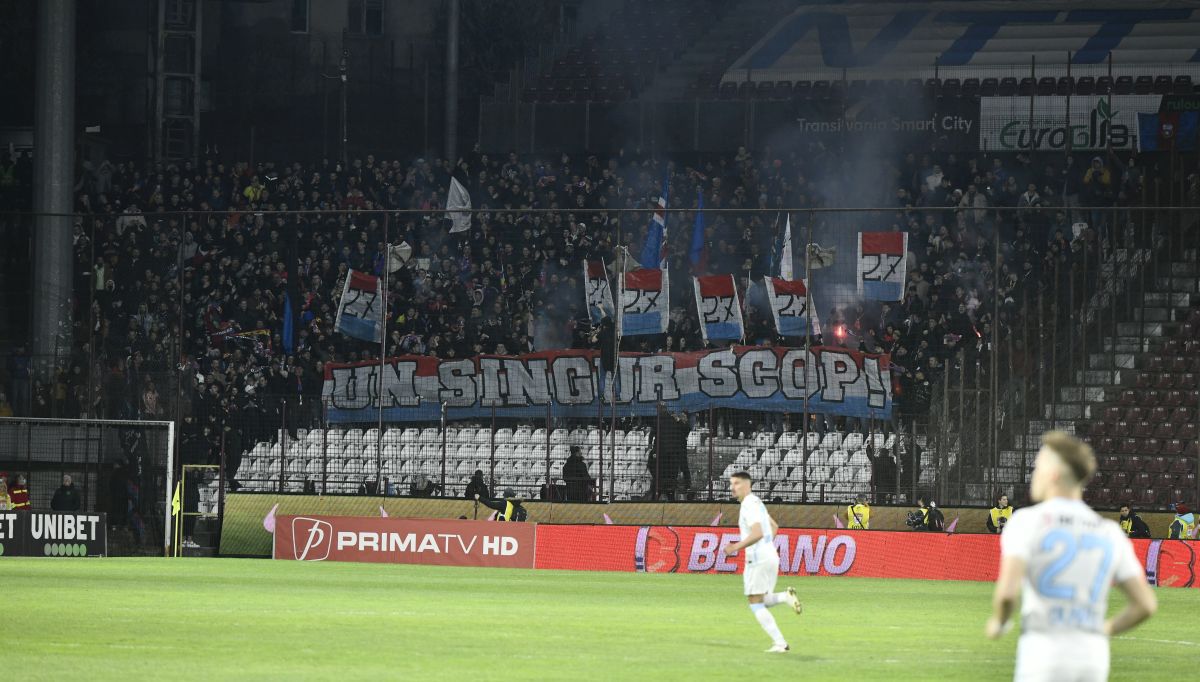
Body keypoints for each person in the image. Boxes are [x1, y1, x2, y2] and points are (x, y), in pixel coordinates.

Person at [985, 431, 1157, 681]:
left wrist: (999, 623)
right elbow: (1145, 605)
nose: (1034, 474)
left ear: (1053, 475)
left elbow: (1007, 595)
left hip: (1043, 654)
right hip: (1092, 658)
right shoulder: (1109, 532)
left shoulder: (1025, 522)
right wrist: (1105, 629)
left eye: (1038, 467)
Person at [718, 471, 801, 654]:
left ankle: (780, 643)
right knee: (760, 599)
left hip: (757, 557)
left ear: (748, 485)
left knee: (754, 602)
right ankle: (785, 597)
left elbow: (757, 533)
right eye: (731, 483)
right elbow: (774, 527)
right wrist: (766, 548)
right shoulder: (757, 502)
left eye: (737, 483)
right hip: (770, 554)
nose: (733, 487)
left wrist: (735, 547)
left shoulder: (748, 504)